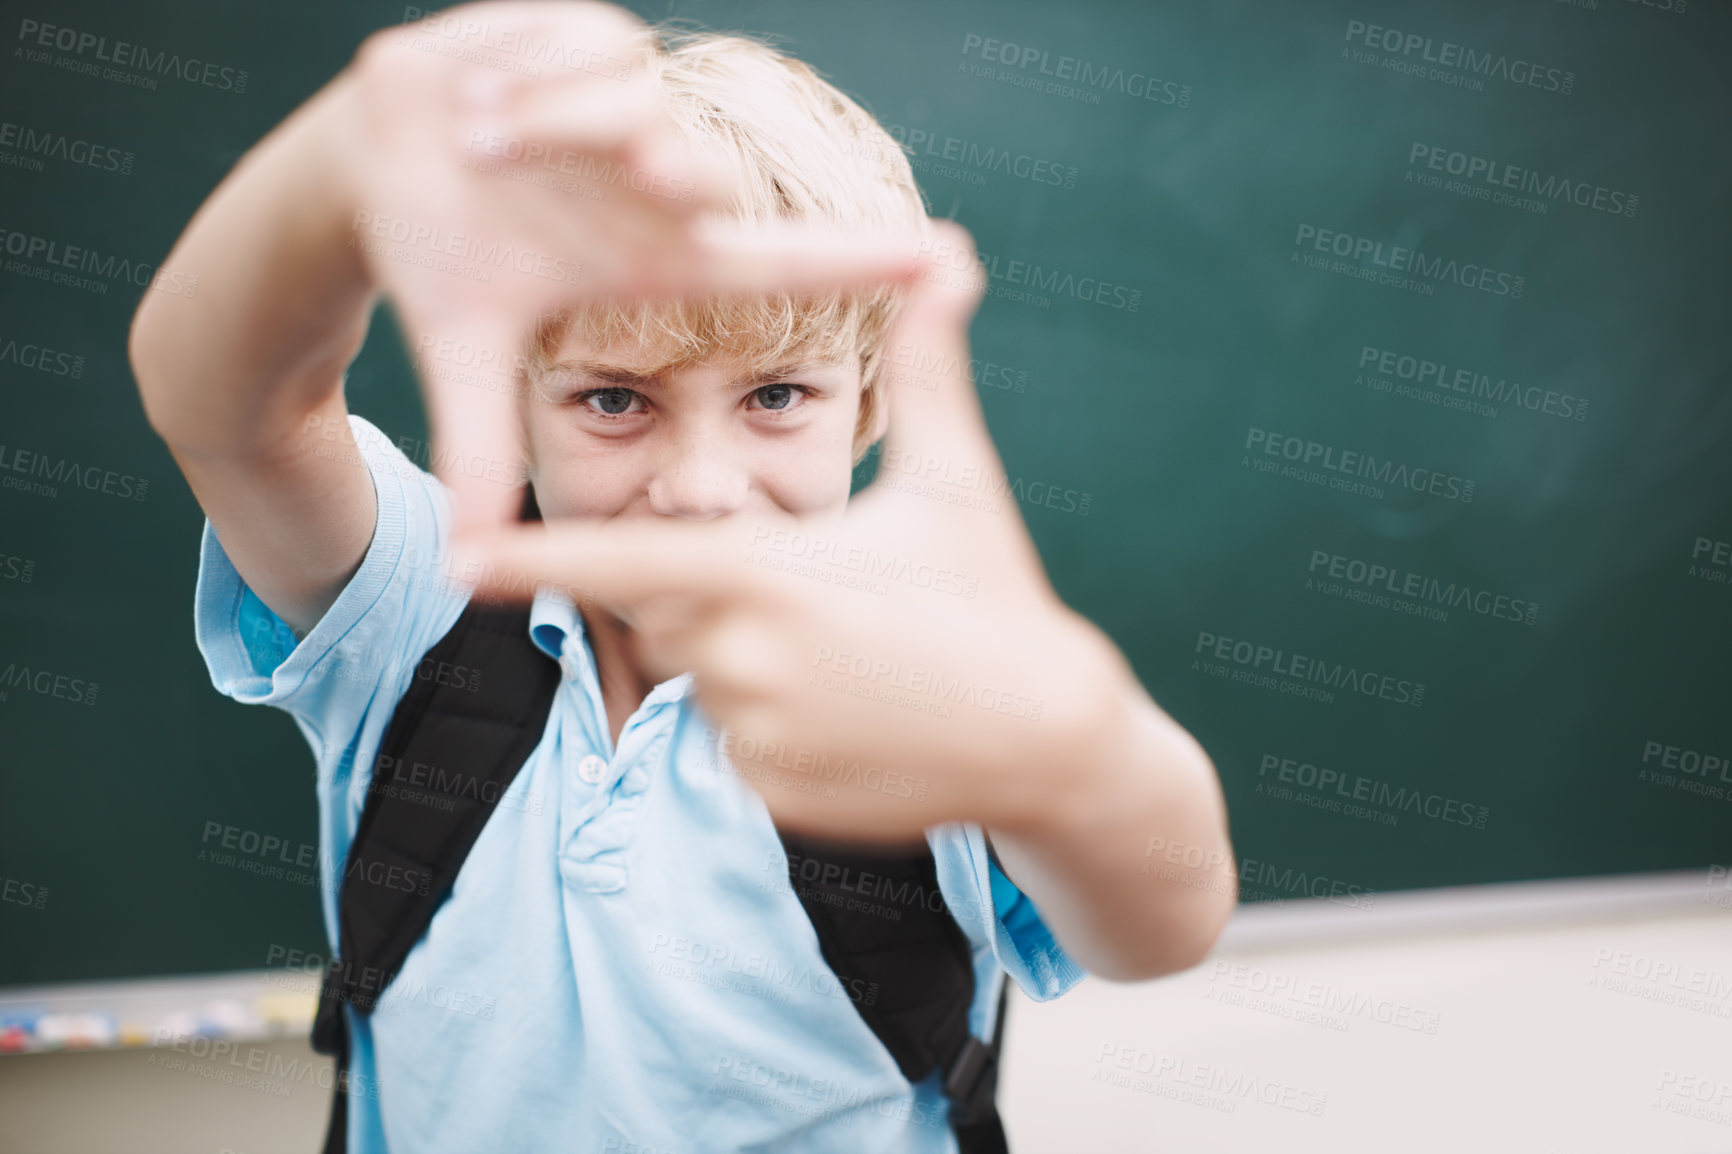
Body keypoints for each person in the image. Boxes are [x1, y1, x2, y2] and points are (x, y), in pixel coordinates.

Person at [128, 3, 1237, 1150]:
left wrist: (1070, 751)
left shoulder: (936, 680)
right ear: (514, 399)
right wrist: (343, 161)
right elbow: (222, 406)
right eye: (614, 398)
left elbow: (1162, 923)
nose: (701, 487)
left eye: (775, 396)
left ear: (867, 404)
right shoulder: (422, 597)